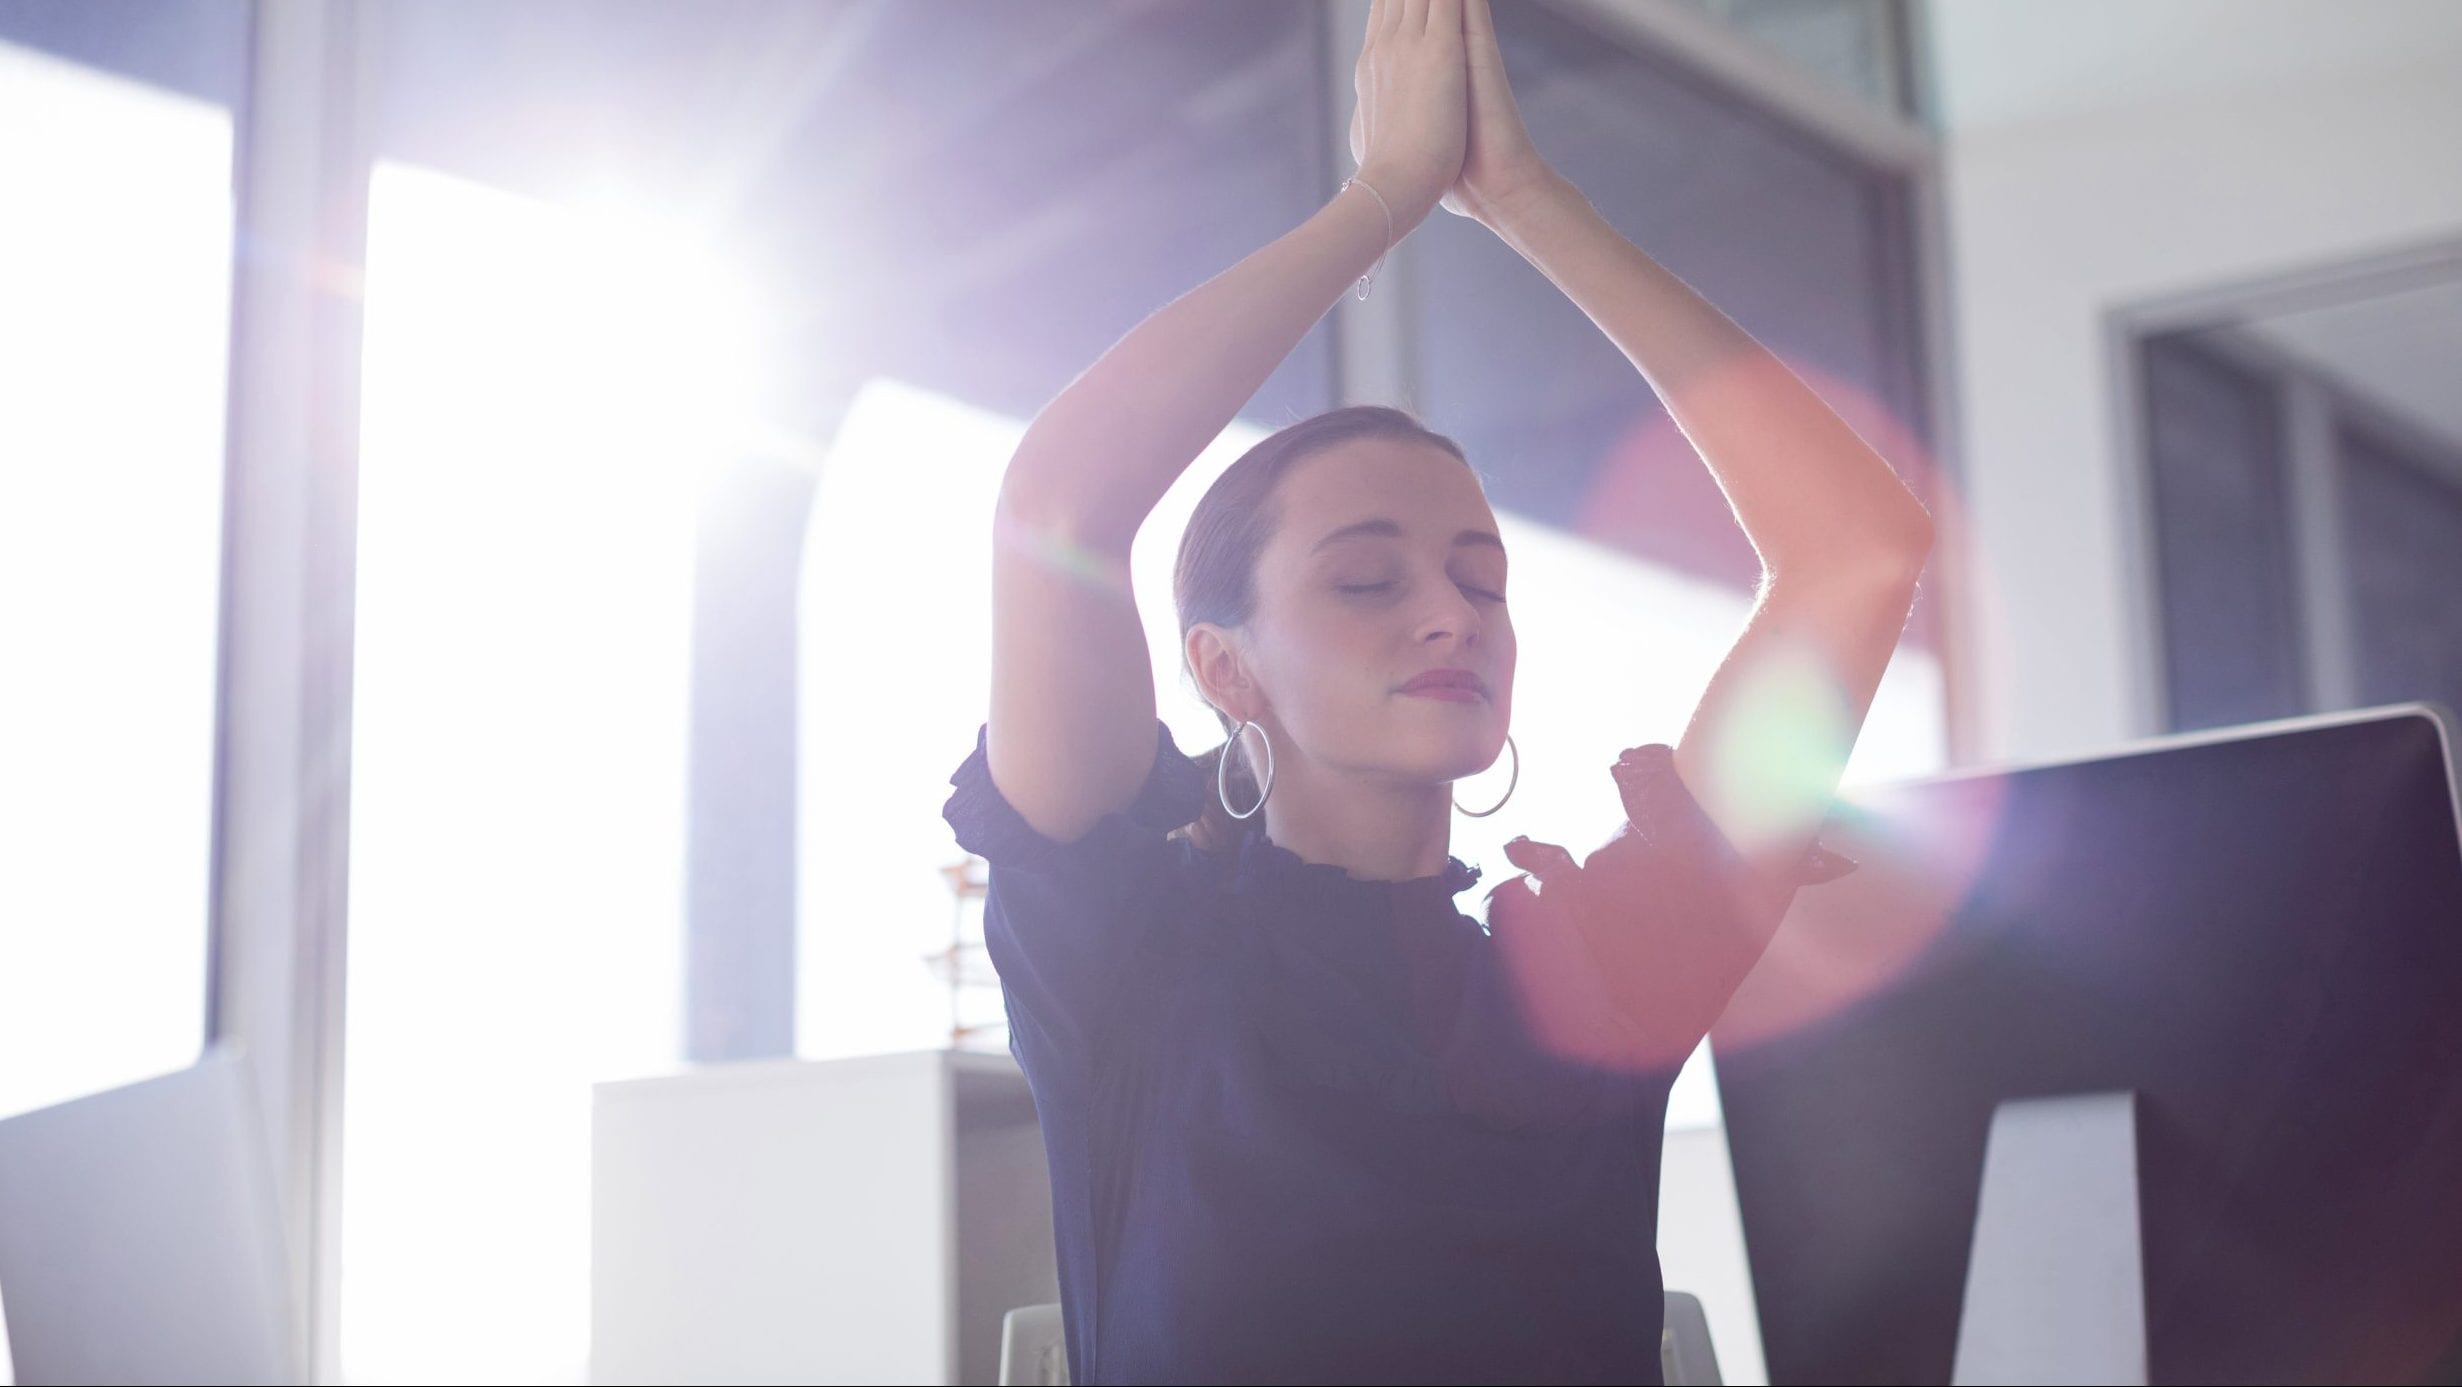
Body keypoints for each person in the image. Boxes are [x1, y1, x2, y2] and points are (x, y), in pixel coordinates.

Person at [942, 1, 1934, 1380]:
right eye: (1364, 583)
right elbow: (1057, 507)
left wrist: (1527, 202)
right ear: (1224, 666)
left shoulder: (1602, 972)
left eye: (1479, 579)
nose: (1446, 616)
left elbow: (1856, 550)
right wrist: (1380, 198)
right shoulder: (1125, 956)